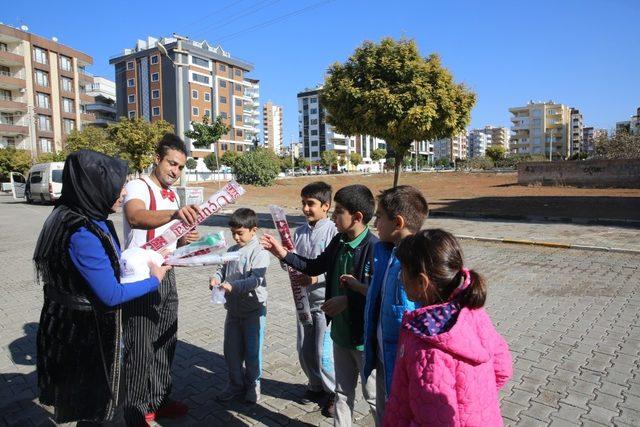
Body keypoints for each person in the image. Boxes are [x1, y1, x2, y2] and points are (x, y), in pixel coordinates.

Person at [34, 150, 171, 424]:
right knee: (100, 408)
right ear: (95, 188)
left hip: (78, 325)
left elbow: (109, 265)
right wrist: (154, 279)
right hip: (85, 333)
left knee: (93, 407)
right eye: (116, 188)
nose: (122, 195)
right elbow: (110, 295)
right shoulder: (81, 231)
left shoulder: (80, 213)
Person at [261, 184, 378, 427]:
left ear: (356, 217)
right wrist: (282, 253)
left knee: (374, 397)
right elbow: (314, 266)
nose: (334, 216)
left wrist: (348, 300)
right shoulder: (339, 240)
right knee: (343, 394)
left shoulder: (374, 249)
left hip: (363, 339)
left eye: (338, 212)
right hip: (340, 334)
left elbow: (380, 295)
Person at [383, 229, 512, 426]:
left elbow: (426, 415)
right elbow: (502, 369)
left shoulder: (424, 344)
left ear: (421, 282)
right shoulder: (473, 312)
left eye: (403, 271)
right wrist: (473, 404)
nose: (400, 277)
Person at [121, 134, 200, 426]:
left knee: (167, 340)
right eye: (171, 163)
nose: (175, 171)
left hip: (167, 273)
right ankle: (138, 410)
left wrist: (185, 239)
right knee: (141, 345)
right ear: (157, 159)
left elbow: (170, 236)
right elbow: (137, 216)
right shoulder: (137, 186)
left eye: (180, 167)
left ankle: (160, 399)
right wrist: (173, 215)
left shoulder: (172, 195)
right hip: (140, 276)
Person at [359, 186, 429, 421]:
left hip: (404, 365)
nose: (375, 223)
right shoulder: (385, 253)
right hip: (383, 356)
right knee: (384, 414)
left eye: (379, 217)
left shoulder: (418, 263)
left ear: (397, 222)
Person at [210, 208, 271, 404]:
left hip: (254, 311)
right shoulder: (231, 251)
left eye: (240, 233)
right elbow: (221, 268)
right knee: (232, 351)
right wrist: (215, 278)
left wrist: (232, 286)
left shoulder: (259, 252)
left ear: (254, 230)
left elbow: (255, 280)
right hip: (233, 311)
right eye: (233, 233)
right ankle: (235, 384)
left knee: (252, 352)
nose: (236, 237)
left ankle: (253, 385)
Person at [292, 182, 337, 417]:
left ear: (326, 206)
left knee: (324, 351)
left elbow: (337, 267)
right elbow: (290, 261)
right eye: (303, 203)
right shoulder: (298, 232)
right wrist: (283, 255)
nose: (306, 208)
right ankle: (315, 385)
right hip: (302, 301)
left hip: (325, 302)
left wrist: (315, 278)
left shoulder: (333, 231)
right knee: (305, 348)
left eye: (311, 204)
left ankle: (334, 392)